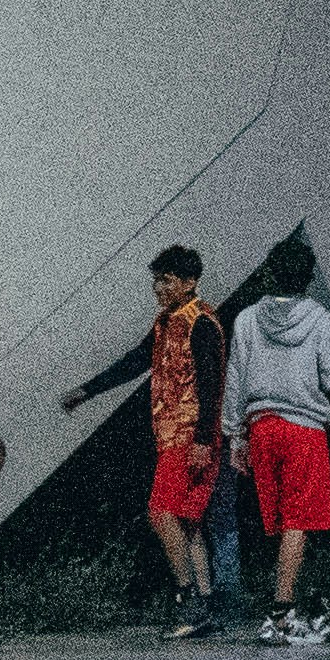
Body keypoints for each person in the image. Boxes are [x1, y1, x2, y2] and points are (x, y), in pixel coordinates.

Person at [59, 244, 237, 639]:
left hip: (189, 434)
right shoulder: (164, 322)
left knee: (160, 514)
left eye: (167, 280)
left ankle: (187, 598)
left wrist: (205, 438)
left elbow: (211, 385)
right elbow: (135, 362)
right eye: (157, 280)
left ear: (190, 283)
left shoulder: (202, 323)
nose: (158, 287)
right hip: (172, 435)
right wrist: (89, 390)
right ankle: (205, 607)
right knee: (187, 524)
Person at [220, 272, 330, 644]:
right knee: (301, 519)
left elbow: (235, 377)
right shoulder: (321, 320)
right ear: (306, 278)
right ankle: (281, 612)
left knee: (277, 523)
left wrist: (234, 434)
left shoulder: (247, 318)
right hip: (303, 428)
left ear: (269, 275)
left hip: (261, 426)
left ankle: (304, 602)